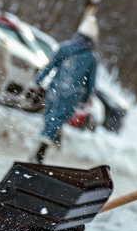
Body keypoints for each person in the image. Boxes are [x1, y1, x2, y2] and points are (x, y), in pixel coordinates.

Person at [31, 15, 99, 164]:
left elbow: (50, 65)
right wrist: (86, 98)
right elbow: (91, 82)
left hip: (54, 89)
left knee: (50, 117)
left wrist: (38, 80)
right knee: (57, 119)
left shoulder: (65, 47)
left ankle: (46, 144)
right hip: (72, 94)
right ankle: (40, 153)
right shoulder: (91, 57)